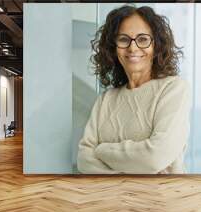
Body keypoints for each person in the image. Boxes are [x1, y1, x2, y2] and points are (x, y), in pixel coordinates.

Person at [77, 5, 191, 174]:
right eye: (123, 39)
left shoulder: (173, 88)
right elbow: (83, 160)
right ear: (113, 48)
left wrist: (101, 150)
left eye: (143, 39)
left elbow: (155, 157)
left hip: (162, 198)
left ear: (156, 45)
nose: (133, 48)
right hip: (108, 198)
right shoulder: (106, 99)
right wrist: (127, 177)